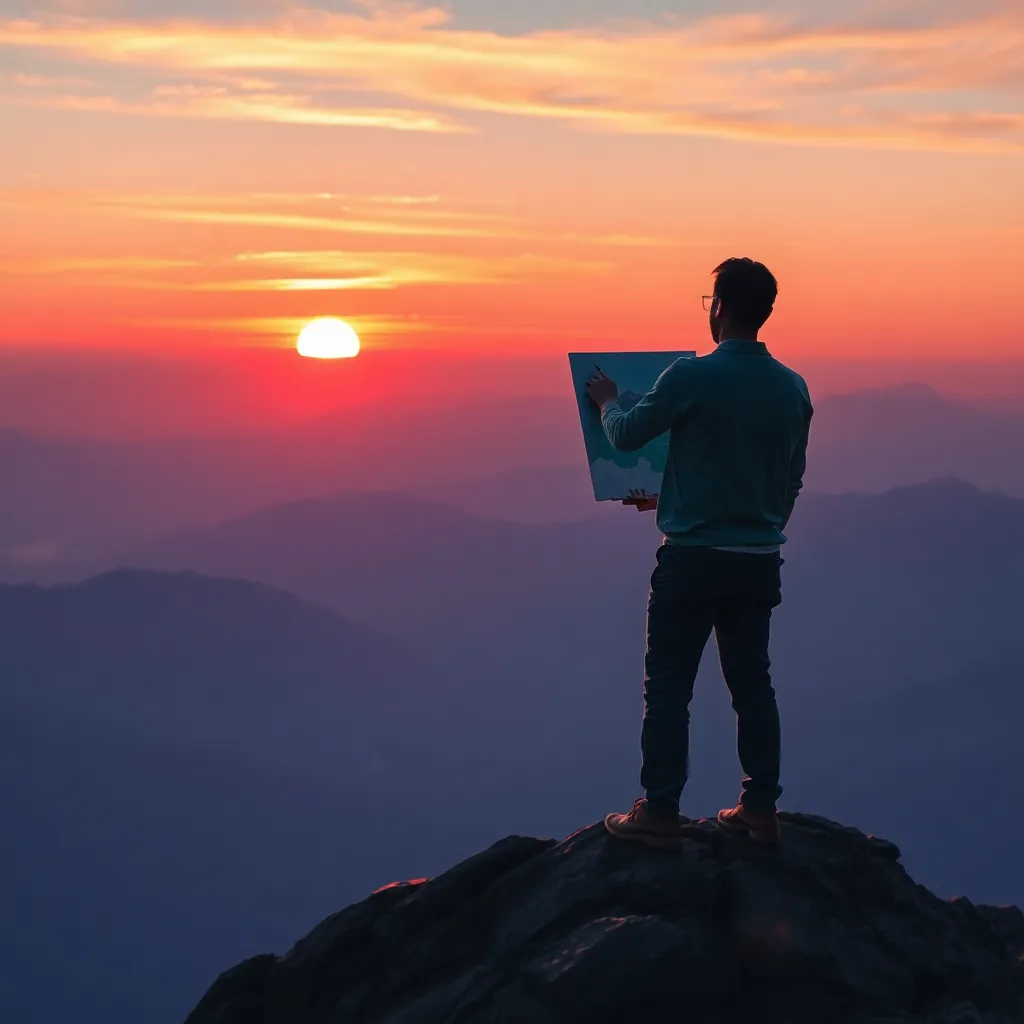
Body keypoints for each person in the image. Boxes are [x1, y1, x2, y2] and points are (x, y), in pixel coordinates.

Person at [586, 257, 812, 848]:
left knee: (667, 688)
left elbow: (626, 435)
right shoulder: (793, 387)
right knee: (752, 685)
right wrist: (748, 525)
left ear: (719, 307)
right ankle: (760, 808)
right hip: (758, 560)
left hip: (691, 560)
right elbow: (788, 480)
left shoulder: (689, 376)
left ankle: (659, 811)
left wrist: (607, 399)